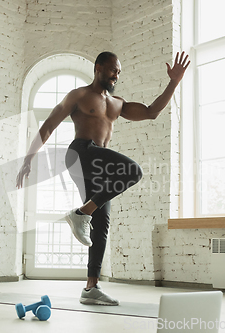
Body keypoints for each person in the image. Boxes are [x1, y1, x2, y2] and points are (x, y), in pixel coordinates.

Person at [16, 51, 190, 305]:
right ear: (98, 68)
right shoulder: (79, 95)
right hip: (81, 153)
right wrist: (28, 158)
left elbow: (152, 112)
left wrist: (173, 82)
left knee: (102, 223)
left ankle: (91, 287)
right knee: (134, 171)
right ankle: (81, 213)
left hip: (99, 163)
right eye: (112, 70)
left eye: (118, 72)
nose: (116, 75)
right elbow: (49, 125)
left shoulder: (117, 103)